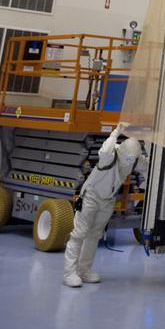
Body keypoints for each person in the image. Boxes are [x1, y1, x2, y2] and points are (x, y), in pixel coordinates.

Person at [62, 122, 141, 288]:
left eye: (132, 160)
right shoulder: (109, 156)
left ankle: (84, 270)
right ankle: (69, 273)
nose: (130, 163)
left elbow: (148, 165)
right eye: (128, 159)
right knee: (79, 234)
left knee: (94, 235)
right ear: (122, 152)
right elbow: (104, 151)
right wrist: (116, 132)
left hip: (107, 200)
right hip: (90, 197)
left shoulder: (133, 160)